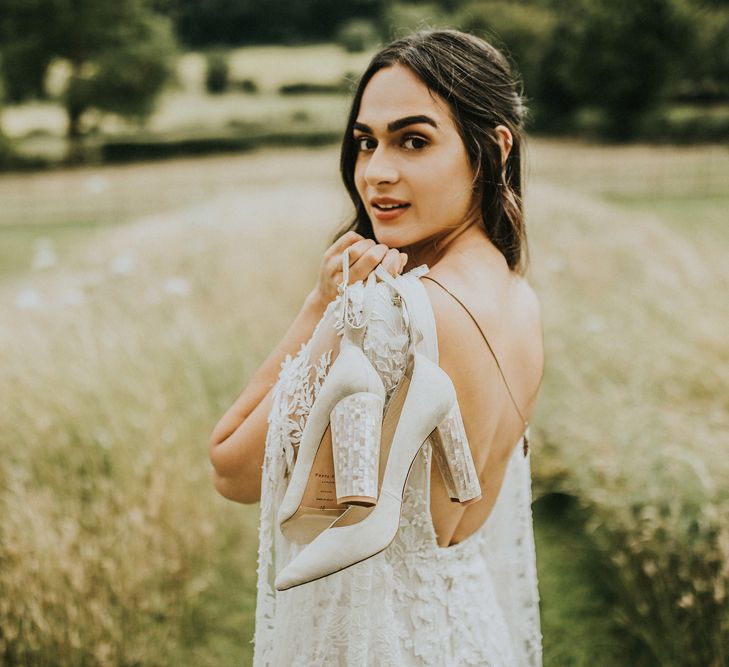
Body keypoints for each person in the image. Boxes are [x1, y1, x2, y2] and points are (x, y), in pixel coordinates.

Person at [208, 29, 545, 666]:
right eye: (367, 142)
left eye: (413, 141)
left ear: (493, 149)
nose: (376, 172)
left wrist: (319, 305)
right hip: (471, 633)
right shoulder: (517, 295)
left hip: (375, 643)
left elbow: (231, 468)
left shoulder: (393, 312)